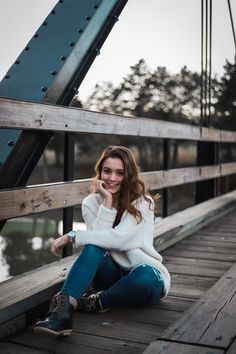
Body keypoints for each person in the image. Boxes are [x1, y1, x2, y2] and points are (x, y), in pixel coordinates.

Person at [34, 145, 171, 336]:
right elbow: (98, 240)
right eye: (107, 171)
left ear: (129, 175)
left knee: (146, 277)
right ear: (100, 172)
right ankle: (61, 315)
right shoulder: (91, 202)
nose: (112, 178)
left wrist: (72, 236)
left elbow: (119, 239)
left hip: (142, 274)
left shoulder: (143, 202)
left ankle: (94, 302)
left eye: (120, 173)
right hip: (108, 275)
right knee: (93, 247)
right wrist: (106, 202)